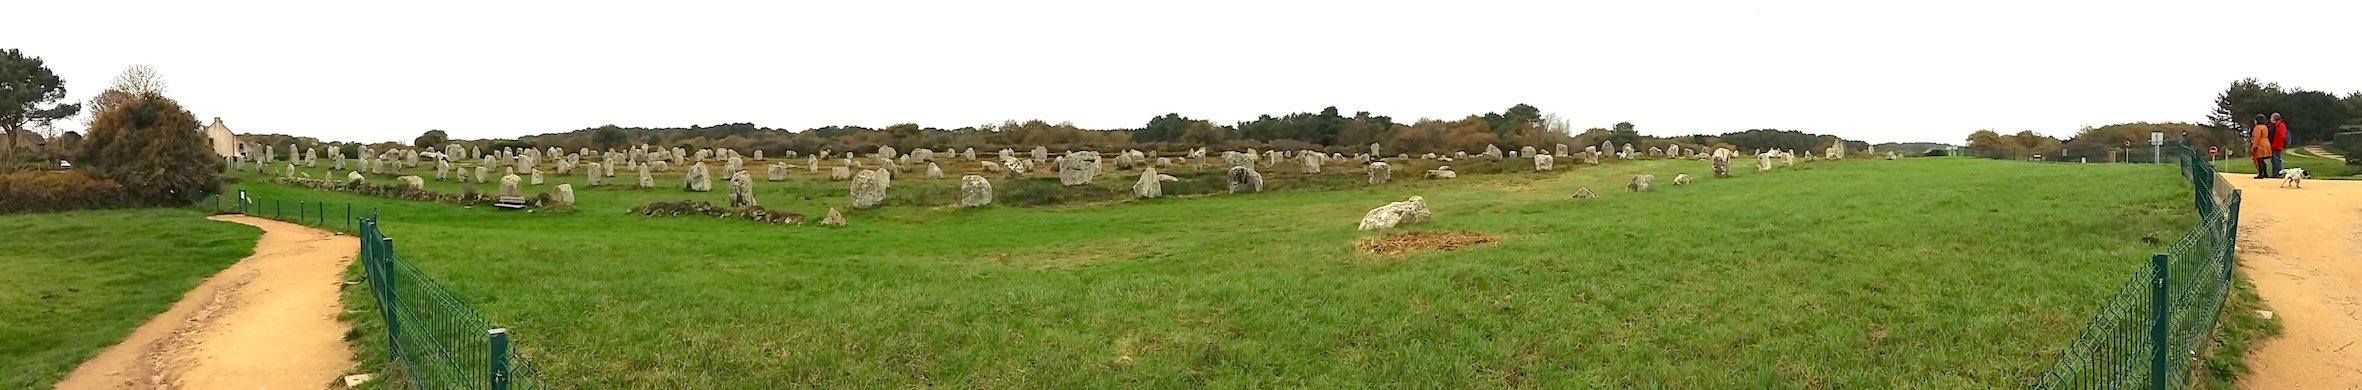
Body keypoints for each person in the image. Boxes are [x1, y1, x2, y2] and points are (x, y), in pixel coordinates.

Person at [2251, 114, 2272, 178]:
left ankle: (2261, 173)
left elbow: (2257, 138)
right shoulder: (2265, 127)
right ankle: (2265, 173)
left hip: (2260, 144)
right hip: (2266, 142)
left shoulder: (2258, 128)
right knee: (2262, 159)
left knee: (2259, 159)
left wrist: (2254, 146)